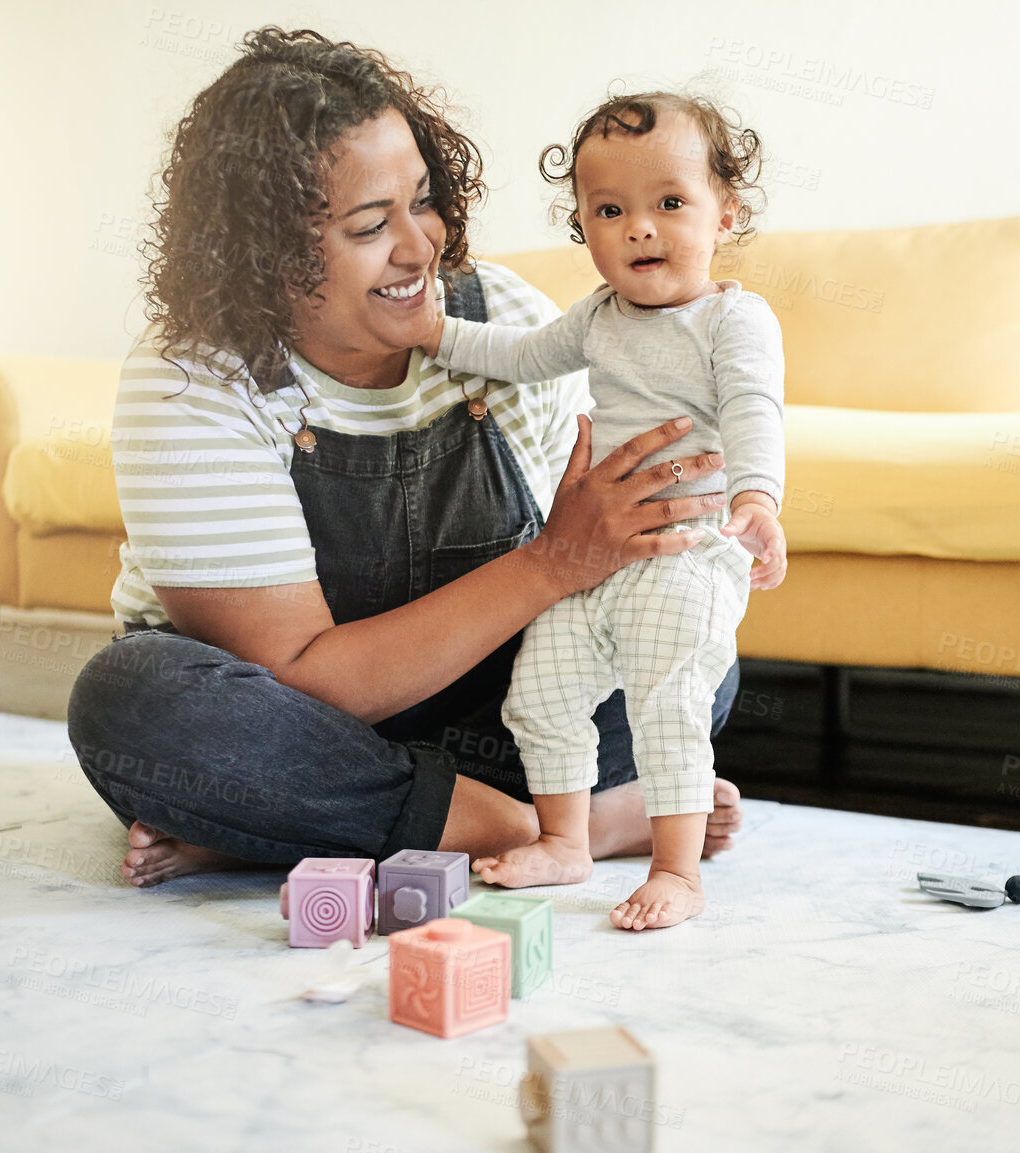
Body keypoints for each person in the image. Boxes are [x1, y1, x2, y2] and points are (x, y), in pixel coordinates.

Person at [65, 28, 748, 890]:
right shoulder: (195, 382)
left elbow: (607, 567)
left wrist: (654, 548)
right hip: (297, 713)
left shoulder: (502, 321)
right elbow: (302, 677)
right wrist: (556, 562)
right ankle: (528, 823)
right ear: (266, 255)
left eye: (421, 200)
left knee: (684, 636)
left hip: (482, 709)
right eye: (367, 225)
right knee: (132, 701)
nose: (419, 246)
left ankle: (306, 818)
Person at [419, 93, 786, 930]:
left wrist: (758, 498)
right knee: (539, 692)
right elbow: (514, 357)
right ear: (583, 225)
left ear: (724, 215)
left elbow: (753, 409)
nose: (639, 229)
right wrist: (431, 332)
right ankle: (565, 840)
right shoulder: (596, 316)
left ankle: (677, 870)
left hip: (688, 551)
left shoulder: (733, 319)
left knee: (669, 704)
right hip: (598, 555)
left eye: (669, 203)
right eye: (609, 210)